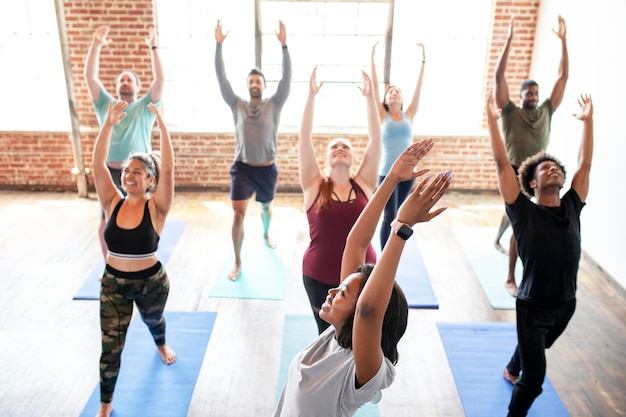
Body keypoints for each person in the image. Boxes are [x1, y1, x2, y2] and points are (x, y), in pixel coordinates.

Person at [274, 141, 451, 416]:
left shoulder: (362, 367)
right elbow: (355, 244)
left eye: (342, 293)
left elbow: (368, 311)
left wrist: (401, 229)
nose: (332, 291)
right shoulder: (336, 333)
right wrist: (391, 178)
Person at [486, 92, 593, 417]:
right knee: (534, 380)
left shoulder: (572, 206)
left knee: (537, 348)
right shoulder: (521, 210)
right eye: (545, 168)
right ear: (532, 182)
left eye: (556, 168)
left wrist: (589, 122)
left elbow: (585, 164)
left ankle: (511, 367)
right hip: (532, 306)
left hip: (566, 303)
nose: (554, 170)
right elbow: (503, 163)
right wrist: (492, 121)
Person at [92, 100, 176, 417]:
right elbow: (98, 166)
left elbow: (168, 167)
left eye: (136, 172)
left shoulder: (157, 208)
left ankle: (161, 343)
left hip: (151, 283)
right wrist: (108, 125)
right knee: (110, 348)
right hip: (113, 284)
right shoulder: (112, 201)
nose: (128, 176)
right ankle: (105, 404)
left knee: (154, 320)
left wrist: (163, 126)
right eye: (126, 171)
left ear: (150, 180)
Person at [299, 67, 381, 334]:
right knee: (327, 336)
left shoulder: (365, 184)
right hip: (318, 276)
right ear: (326, 159)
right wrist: (310, 96)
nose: (340, 149)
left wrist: (370, 99)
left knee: (360, 335)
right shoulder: (314, 186)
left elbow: (376, 139)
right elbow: (304, 139)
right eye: (334, 146)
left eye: (346, 146)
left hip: (363, 276)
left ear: (354, 159)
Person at [492, 15, 568, 297]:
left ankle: (499, 242)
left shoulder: (547, 110)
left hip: (538, 174)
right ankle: (510, 277)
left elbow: (563, 77)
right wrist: (510, 39)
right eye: (528, 92)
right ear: (522, 94)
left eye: (536, 92)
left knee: (518, 221)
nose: (533, 95)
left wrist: (563, 41)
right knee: (518, 222)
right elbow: (499, 77)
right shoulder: (511, 111)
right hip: (513, 171)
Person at [214, 19, 292, 280]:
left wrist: (284, 46)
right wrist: (218, 45)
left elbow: (287, 79)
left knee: (266, 208)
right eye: (251, 80)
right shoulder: (236, 104)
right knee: (237, 215)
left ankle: (267, 233)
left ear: (264, 85)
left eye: (259, 80)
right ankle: (237, 262)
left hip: (267, 168)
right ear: (248, 85)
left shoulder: (275, 104)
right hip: (242, 168)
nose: (255, 83)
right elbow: (221, 78)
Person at [84, 24, 165, 259]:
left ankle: (144, 253)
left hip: (141, 171)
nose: (125, 82)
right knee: (107, 218)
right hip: (110, 171)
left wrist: (153, 46)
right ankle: (109, 260)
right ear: (117, 87)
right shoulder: (106, 104)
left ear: (138, 87)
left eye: (130, 80)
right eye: (122, 80)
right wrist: (96, 43)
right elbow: (89, 76)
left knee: (146, 214)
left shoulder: (145, 106)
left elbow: (160, 79)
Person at [371, 41, 426, 249]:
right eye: (390, 92)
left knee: (401, 217)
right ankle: (383, 258)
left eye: (397, 92)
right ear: (386, 98)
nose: (394, 94)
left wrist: (423, 60)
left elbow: (419, 88)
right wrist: (372, 59)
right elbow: (374, 89)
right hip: (387, 172)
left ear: (402, 99)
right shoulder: (382, 114)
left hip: (408, 173)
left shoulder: (409, 114)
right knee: (389, 215)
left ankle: (392, 251)